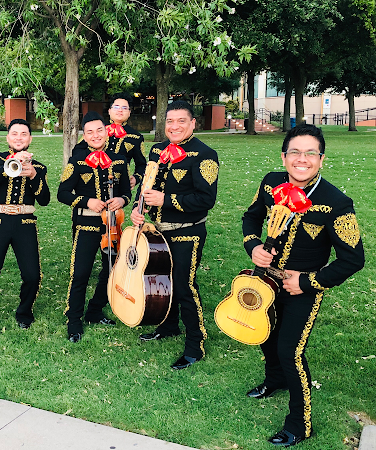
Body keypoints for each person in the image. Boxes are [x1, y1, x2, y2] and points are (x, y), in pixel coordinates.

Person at [242, 124, 364, 447]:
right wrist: (253, 245)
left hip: (303, 289)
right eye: (295, 152)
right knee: (264, 333)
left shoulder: (336, 202)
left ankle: (300, 423)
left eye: (311, 153)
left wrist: (308, 281)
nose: (302, 159)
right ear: (284, 157)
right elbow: (250, 218)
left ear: (321, 159)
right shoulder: (270, 184)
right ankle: (275, 379)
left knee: (290, 350)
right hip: (265, 279)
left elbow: (353, 259)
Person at [131, 100, 217, 370]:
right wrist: (138, 207)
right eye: (170, 121)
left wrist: (165, 199)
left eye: (181, 121)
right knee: (161, 282)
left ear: (193, 123)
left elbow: (206, 199)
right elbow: (146, 185)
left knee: (183, 285)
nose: (175, 126)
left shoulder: (205, 154)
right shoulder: (157, 149)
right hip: (155, 231)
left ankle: (196, 344)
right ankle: (167, 327)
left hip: (187, 232)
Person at [58, 111, 131, 343]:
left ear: (106, 130)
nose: (95, 135)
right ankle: (74, 319)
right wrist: (86, 201)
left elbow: (126, 193)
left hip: (113, 223)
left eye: (99, 130)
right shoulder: (76, 160)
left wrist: (122, 200)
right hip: (86, 223)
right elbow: (62, 193)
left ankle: (95, 310)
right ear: (84, 135)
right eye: (89, 132)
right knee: (81, 272)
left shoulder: (119, 159)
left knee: (111, 269)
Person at [0, 119, 50, 335]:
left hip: (24, 223)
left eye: (24, 134)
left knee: (32, 275)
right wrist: (8, 165)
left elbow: (44, 199)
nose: (19, 137)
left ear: (30, 138)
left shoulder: (38, 167)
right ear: (8, 137)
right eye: (15, 133)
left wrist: (34, 176)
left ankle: (24, 313)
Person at [106, 93, 147, 189]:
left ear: (129, 112)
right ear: (109, 111)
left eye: (124, 108)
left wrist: (136, 178)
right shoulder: (97, 131)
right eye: (116, 107)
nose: (120, 110)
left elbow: (142, 164)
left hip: (120, 185)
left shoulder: (136, 137)